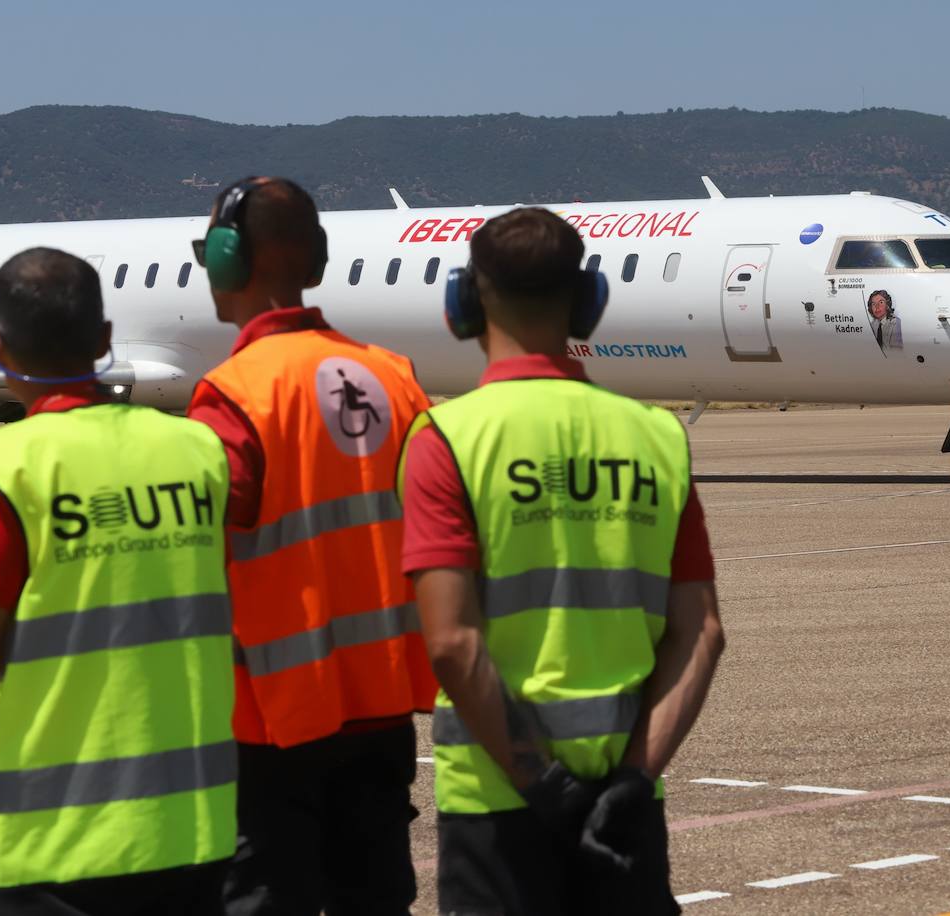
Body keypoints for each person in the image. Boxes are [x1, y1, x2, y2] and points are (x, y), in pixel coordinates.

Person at [399, 207, 726, 916]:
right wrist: (632, 781)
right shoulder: (654, 438)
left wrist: (543, 782)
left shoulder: (446, 439)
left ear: (463, 302)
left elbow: (453, 644)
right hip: (625, 805)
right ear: (588, 302)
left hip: (495, 804)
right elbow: (701, 632)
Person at [0, 247, 237, 915]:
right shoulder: (199, 451)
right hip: (196, 826)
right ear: (106, 340)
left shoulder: (8, 464)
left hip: (60, 841)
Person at [187, 177, 437, 915]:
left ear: (228, 260)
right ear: (318, 259)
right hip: (383, 707)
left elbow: (205, 553)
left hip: (274, 721)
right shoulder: (397, 380)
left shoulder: (234, 395)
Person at [867, 288, 902, 353]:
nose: (877, 307)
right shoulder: (872, 324)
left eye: (881, 302)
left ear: (887, 305)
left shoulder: (895, 322)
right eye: (873, 304)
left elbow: (897, 351)